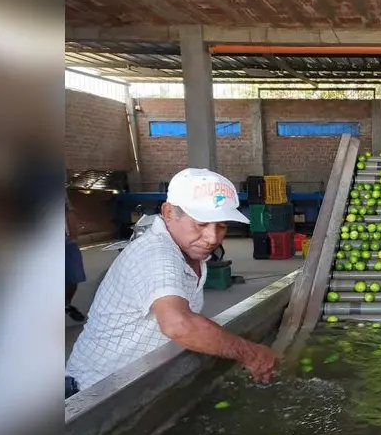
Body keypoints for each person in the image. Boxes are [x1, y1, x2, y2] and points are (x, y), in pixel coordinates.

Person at [65, 168, 277, 397]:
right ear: (168, 213)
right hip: (88, 395)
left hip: (129, 386)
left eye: (222, 225)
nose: (213, 238)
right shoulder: (156, 253)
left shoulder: (189, 252)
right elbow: (179, 325)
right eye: (201, 224)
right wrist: (251, 354)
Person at [65, 197, 88, 323]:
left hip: (67, 243)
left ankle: (66, 304)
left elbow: (69, 211)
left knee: (75, 276)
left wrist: (74, 234)